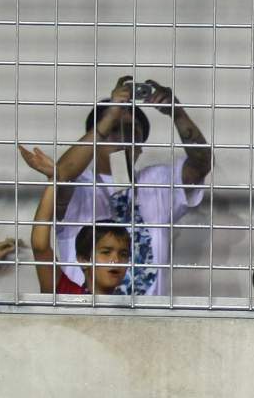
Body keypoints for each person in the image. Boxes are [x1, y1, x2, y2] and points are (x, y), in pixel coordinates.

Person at [51, 76, 214, 297]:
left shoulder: (156, 180)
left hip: (147, 321)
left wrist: (177, 113)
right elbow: (60, 173)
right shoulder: (79, 185)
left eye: (130, 131)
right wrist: (112, 111)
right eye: (113, 129)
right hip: (86, 316)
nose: (123, 139)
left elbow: (202, 163)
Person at [18, 141, 130, 296]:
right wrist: (54, 180)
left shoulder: (132, 308)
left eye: (123, 254)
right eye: (106, 252)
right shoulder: (66, 292)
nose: (116, 260)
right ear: (83, 259)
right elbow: (40, 245)